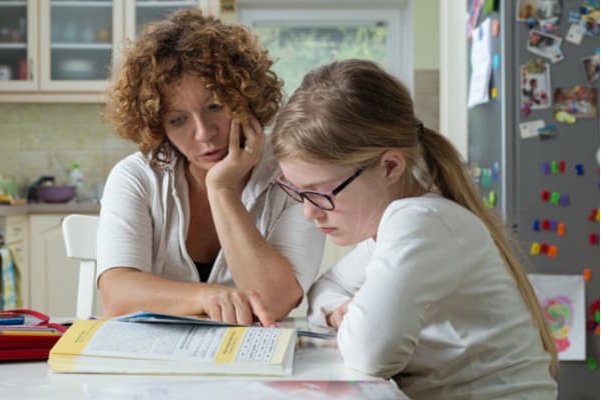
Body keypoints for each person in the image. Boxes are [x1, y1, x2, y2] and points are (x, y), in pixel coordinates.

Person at [270, 59, 557, 399]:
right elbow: (323, 289)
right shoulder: (397, 227)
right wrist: (339, 312)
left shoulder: (420, 222)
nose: (308, 213)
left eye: (319, 193)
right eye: (299, 193)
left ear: (390, 166)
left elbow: (370, 354)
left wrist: (353, 318)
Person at [98, 9, 324, 326]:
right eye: (178, 120)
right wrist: (206, 297)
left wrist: (222, 189)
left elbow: (274, 301)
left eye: (215, 106)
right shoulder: (137, 177)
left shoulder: (294, 171)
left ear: (245, 97)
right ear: (158, 127)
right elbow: (116, 295)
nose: (204, 133)